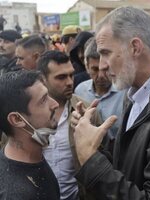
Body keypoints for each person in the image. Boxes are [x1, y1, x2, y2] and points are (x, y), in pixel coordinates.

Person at [71, 6, 150, 199]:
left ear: (135, 47)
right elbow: (130, 162)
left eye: (106, 53)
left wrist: (91, 160)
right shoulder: (135, 92)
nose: (103, 65)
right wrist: (94, 135)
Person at [0, 70, 60, 199]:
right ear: (17, 119)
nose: (55, 104)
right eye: (43, 100)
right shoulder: (15, 194)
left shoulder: (33, 157)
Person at [37, 50, 80, 200]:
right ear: (42, 79)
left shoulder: (86, 111)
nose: (69, 82)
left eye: (71, 75)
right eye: (61, 77)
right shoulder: (26, 113)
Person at [75, 37, 126, 139]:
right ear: (87, 67)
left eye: (105, 68)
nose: (101, 75)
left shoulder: (126, 91)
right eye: (95, 69)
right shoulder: (80, 91)